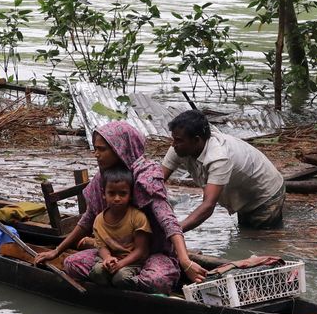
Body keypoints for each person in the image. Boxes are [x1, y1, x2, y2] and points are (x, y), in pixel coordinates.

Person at [33, 120, 208, 287]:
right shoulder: (103, 178)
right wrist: (57, 250)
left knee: (158, 280)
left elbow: (168, 221)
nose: (96, 154)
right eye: (95, 149)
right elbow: (88, 219)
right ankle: (119, 279)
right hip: (112, 254)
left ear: (120, 149)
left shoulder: (146, 178)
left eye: (102, 149)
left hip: (150, 254)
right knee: (71, 263)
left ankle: (123, 280)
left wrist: (185, 261)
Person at [162, 109, 286, 231]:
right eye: (174, 139)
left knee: (262, 240)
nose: (173, 145)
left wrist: (175, 230)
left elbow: (208, 205)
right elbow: (156, 182)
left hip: (265, 192)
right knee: (246, 234)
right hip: (244, 191)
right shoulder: (178, 148)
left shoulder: (218, 157)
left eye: (179, 140)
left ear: (196, 140)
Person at [74, 169, 152, 288]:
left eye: (122, 194)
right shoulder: (99, 220)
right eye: (111, 193)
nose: (117, 198)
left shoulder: (138, 217)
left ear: (130, 195)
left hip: (132, 262)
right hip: (110, 259)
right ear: (104, 194)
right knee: (98, 273)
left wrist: (121, 264)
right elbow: (102, 247)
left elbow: (140, 250)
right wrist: (107, 259)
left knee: (121, 278)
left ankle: (134, 286)